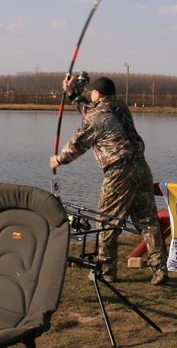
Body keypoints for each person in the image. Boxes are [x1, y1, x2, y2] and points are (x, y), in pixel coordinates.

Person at [49, 75, 168, 285]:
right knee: (147, 220)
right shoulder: (120, 108)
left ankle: (106, 271)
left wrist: (59, 159)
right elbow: (91, 112)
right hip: (141, 168)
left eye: (91, 91)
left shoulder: (97, 117)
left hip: (119, 172)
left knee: (106, 221)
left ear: (98, 93)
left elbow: (78, 143)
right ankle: (159, 269)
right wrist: (71, 95)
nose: (90, 94)